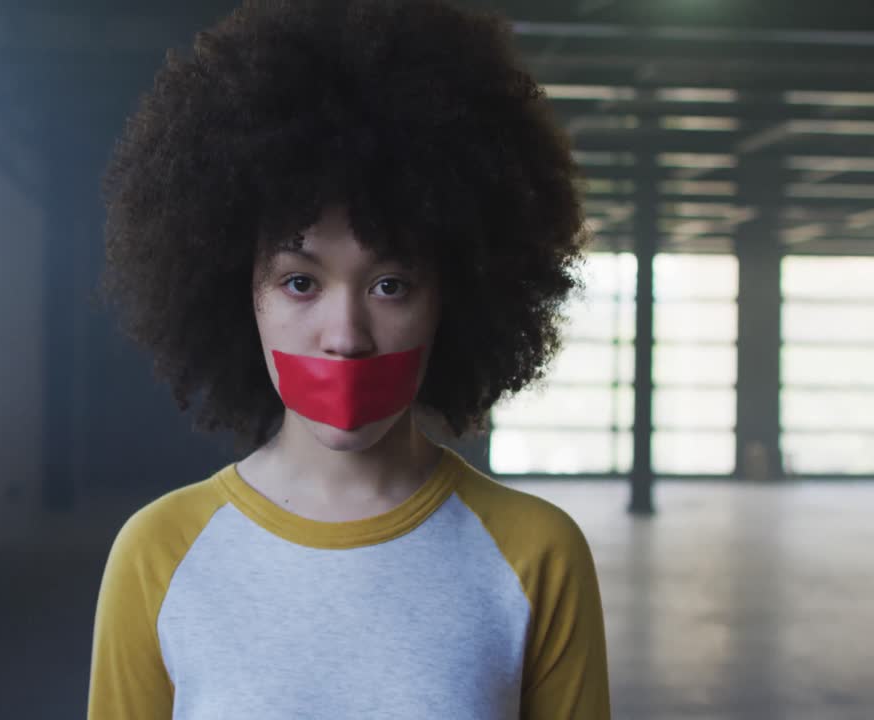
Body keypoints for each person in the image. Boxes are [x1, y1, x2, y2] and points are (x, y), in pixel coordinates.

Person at [88, 1, 611, 717]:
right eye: (300, 282)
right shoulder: (158, 554)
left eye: (390, 285)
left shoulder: (537, 554)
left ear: (454, 298)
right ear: (236, 294)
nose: (346, 334)